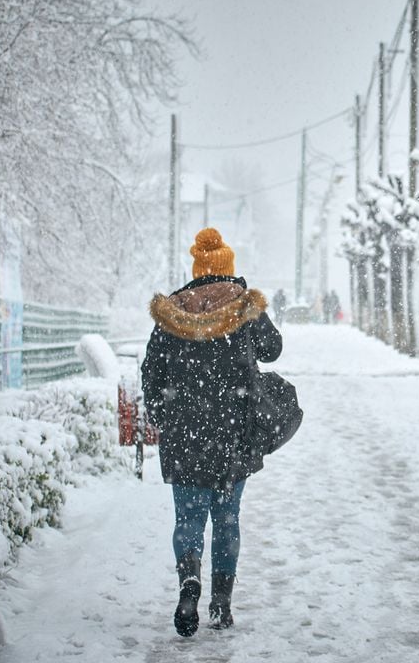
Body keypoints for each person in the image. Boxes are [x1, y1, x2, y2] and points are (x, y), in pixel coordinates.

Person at [141, 228, 282, 637]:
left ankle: (189, 585)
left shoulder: (172, 312)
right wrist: (249, 303)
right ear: (228, 268)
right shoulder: (243, 308)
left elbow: (152, 374)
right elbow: (273, 349)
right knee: (226, 518)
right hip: (232, 435)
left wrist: (166, 417)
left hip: (185, 435)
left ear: (196, 269)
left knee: (188, 518)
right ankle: (221, 600)